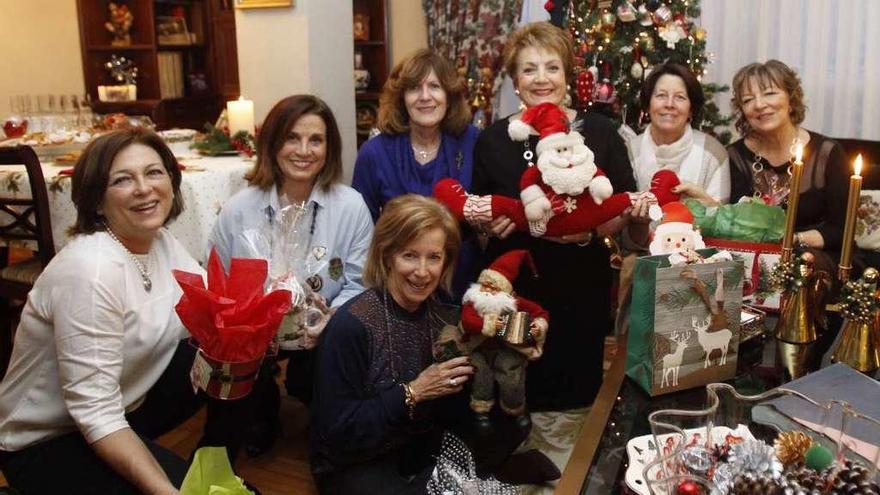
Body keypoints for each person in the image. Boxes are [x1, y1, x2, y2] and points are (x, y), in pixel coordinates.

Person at [0, 129, 257, 494]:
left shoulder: (160, 241)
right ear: (97, 201)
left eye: (154, 172)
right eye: (122, 179)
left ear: (171, 179)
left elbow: (214, 310)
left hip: (125, 406)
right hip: (48, 439)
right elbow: (95, 412)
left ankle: (209, 463)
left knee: (234, 352)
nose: (144, 188)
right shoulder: (91, 271)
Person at [471, 21, 649, 411]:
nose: (541, 79)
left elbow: (621, 202)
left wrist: (592, 227)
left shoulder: (601, 132)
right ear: (515, 80)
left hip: (581, 279)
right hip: (518, 280)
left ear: (568, 75)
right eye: (529, 69)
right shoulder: (493, 140)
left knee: (577, 401)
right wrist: (487, 224)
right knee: (514, 388)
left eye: (552, 67)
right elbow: (480, 212)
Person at [208, 94, 373, 455]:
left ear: (330, 148)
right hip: (254, 333)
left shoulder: (350, 206)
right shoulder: (239, 209)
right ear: (272, 143)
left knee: (336, 350)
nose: (304, 150)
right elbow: (217, 281)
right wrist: (250, 321)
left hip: (321, 324)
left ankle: (319, 401)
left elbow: (360, 282)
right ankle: (261, 409)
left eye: (316, 140)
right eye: (292, 138)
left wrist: (329, 319)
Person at [309, 194, 474, 493]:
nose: (423, 272)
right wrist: (413, 392)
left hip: (415, 447)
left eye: (434, 257)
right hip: (354, 459)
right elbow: (337, 431)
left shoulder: (444, 316)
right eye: (409, 255)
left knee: (494, 437)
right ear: (387, 256)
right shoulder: (351, 326)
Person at [352, 48, 480, 299]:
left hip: (463, 283)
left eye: (434, 86)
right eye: (414, 88)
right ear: (402, 98)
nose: (424, 97)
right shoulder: (374, 153)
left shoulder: (473, 143)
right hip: (397, 287)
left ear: (449, 95)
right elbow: (360, 231)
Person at [727, 60, 849, 264]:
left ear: (791, 99)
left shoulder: (828, 153)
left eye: (769, 93)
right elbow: (731, 225)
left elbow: (841, 230)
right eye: (748, 99)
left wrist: (794, 241)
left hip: (818, 259)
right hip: (755, 260)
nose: (759, 104)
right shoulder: (735, 157)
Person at [626, 62, 730, 205]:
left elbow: (722, 221)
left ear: (691, 109)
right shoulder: (628, 151)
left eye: (680, 97)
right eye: (661, 95)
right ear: (648, 105)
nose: (669, 104)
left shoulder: (713, 154)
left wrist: (707, 206)